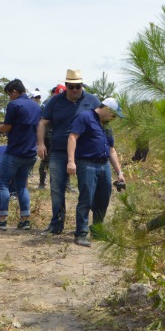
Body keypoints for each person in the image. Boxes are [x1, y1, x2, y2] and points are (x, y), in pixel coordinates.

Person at [38, 70, 101, 235]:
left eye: (78, 86)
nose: (75, 90)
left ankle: (85, 227)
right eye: (71, 87)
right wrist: (40, 144)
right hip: (58, 151)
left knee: (87, 190)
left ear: (82, 85)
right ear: (65, 86)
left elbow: (103, 123)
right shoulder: (55, 101)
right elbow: (43, 123)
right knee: (56, 189)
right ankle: (56, 224)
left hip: (84, 153)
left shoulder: (92, 100)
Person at [66, 98, 126, 247]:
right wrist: (71, 161)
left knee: (103, 199)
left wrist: (119, 172)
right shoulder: (85, 117)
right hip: (87, 164)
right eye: (114, 114)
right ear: (107, 109)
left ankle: (97, 229)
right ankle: (81, 233)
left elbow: (111, 149)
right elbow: (73, 137)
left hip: (104, 165)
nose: (115, 118)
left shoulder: (106, 126)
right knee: (86, 199)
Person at [0, 79, 41, 230]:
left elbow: (6, 127)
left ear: (14, 91)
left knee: (2, 184)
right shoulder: (36, 106)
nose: (9, 97)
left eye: (9, 94)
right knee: (21, 186)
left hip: (15, 151)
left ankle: (1, 219)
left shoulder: (14, 105)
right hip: (30, 153)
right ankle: (25, 220)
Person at [37, 84, 65, 189]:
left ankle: (65, 185)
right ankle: (41, 183)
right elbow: (41, 121)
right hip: (48, 134)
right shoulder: (47, 103)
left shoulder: (65, 103)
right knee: (45, 159)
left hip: (59, 135)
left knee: (64, 159)